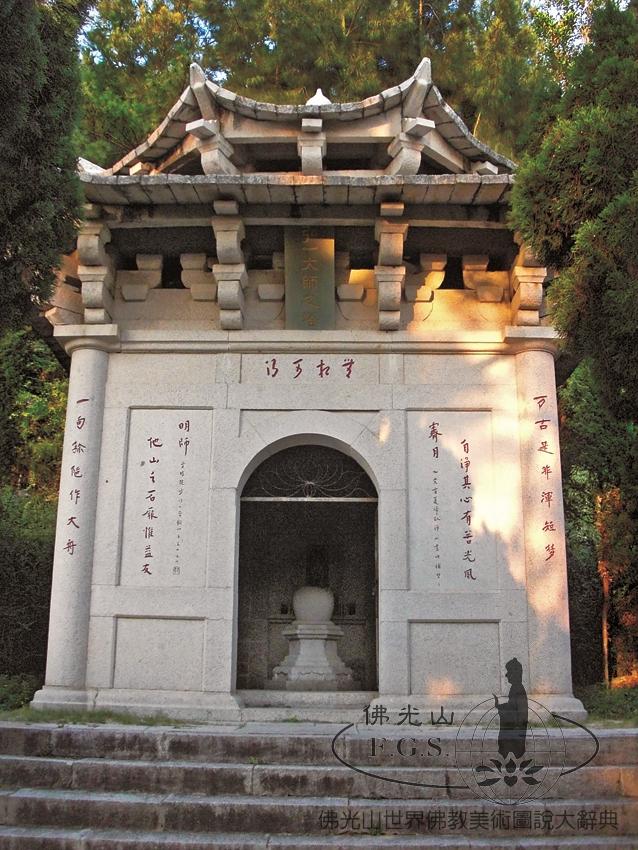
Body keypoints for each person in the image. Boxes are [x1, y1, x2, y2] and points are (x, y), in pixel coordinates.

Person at [492, 657, 528, 759]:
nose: (506, 675)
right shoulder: (515, 688)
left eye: (509, 672)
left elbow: (520, 713)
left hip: (516, 731)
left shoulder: (518, 689)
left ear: (515, 673)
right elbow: (512, 706)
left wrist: (503, 710)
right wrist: (500, 706)